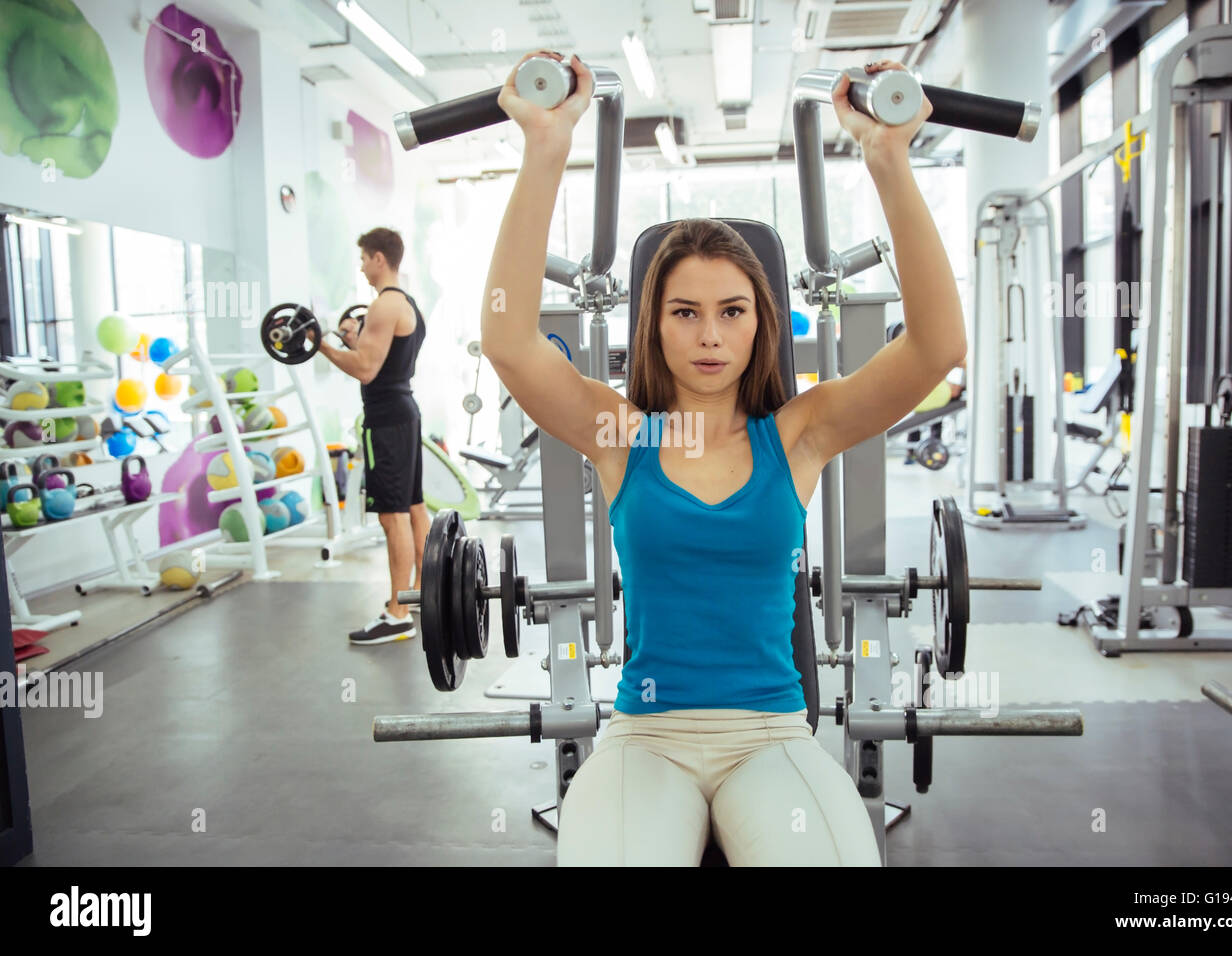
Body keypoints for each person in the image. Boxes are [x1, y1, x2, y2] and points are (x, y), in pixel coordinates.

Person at [482, 52, 965, 866]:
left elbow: (936, 346)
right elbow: (507, 337)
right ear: (655, 326)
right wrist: (545, 146)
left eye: (731, 311)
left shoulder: (800, 434)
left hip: (771, 736)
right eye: (685, 312)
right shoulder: (619, 434)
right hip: (647, 738)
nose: (709, 335)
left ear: (759, 324)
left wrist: (888, 157)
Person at [315, 227, 429, 644]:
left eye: (364, 258)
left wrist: (321, 346)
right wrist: (351, 338)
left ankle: (397, 612)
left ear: (380, 258)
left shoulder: (384, 304)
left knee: (391, 514)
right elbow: (378, 356)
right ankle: (419, 596)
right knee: (414, 508)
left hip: (386, 419)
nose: (362, 267)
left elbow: (365, 369)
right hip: (404, 411)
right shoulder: (405, 304)